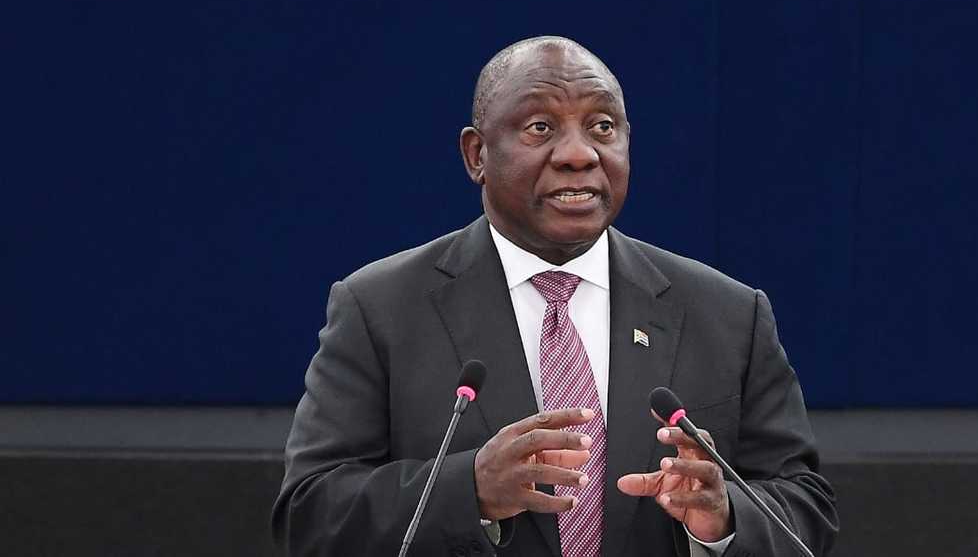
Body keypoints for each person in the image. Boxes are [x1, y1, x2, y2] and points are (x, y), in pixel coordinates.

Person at [272, 36, 838, 557]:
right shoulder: (380, 309)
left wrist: (724, 518)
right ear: (477, 155)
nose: (579, 154)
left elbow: (806, 511)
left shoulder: (729, 314)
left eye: (602, 127)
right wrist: (468, 490)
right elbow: (311, 514)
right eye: (541, 127)